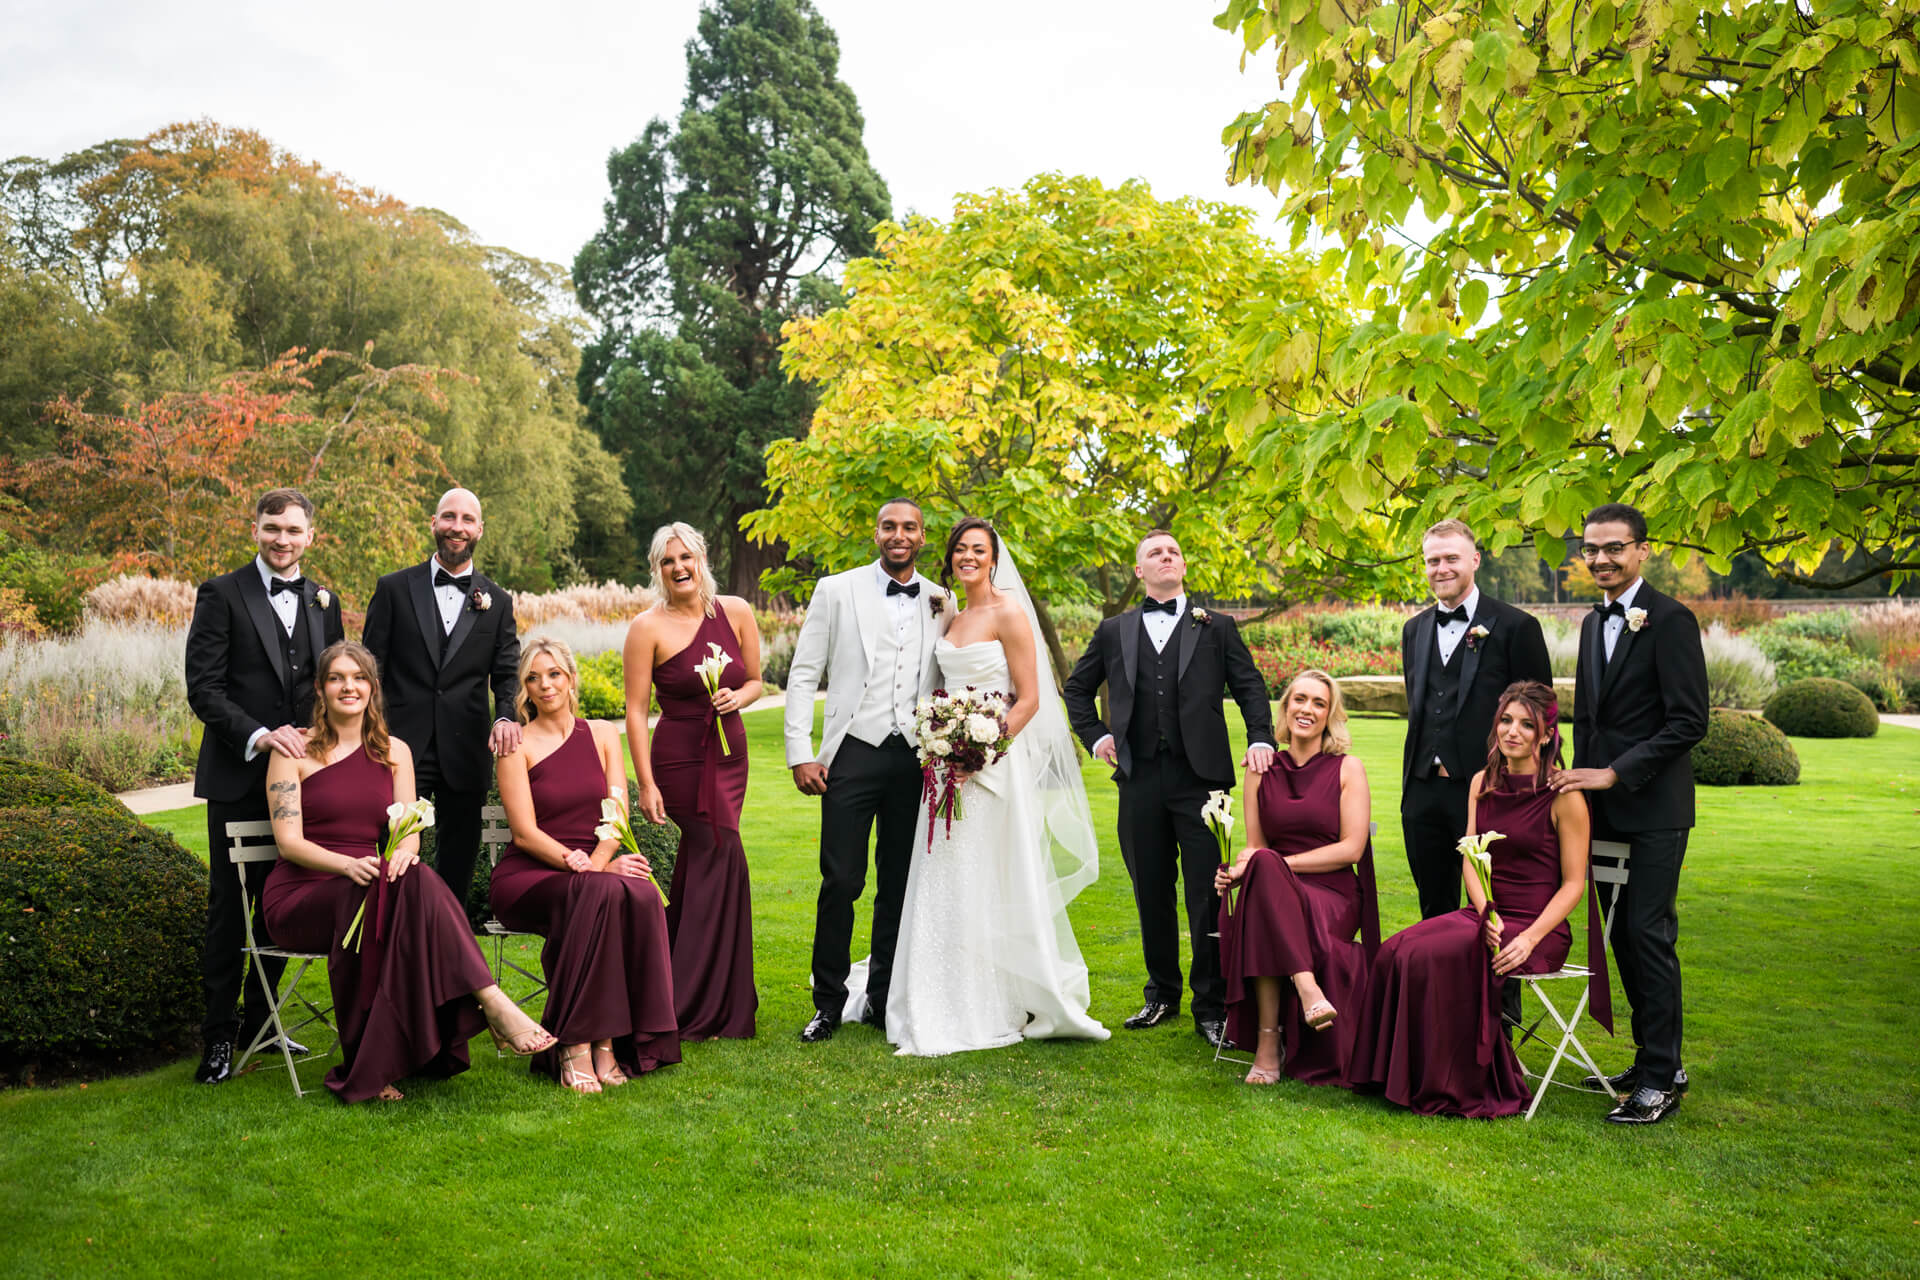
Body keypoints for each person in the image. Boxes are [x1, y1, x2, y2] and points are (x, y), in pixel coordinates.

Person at [262, 642, 557, 1103]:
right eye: (337, 678)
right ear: (320, 689)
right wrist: (346, 864)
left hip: (371, 884)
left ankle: (458, 1021)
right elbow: (289, 843)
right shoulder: (294, 750)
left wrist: (405, 852)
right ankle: (492, 1004)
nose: (348, 687)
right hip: (304, 893)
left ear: (373, 688)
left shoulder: (395, 752)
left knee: (413, 874)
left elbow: (409, 828)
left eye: (358, 677)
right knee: (380, 891)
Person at [881, 518, 1108, 1056]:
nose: (967, 556)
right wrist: (944, 744)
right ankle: (936, 993)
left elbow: (1028, 698)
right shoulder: (951, 614)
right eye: (960, 548)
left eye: (977, 549)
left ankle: (998, 997)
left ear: (993, 557)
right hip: (943, 768)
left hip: (990, 767)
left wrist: (980, 751)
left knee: (990, 875)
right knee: (944, 875)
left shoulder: (1009, 612)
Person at [1351, 681, 1610, 1116]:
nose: (1512, 731)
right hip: (1484, 913)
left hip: (1537, 929)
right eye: (1506, 721)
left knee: (1434, 955)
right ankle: (1396, 1076)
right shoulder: (1481, 782)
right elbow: (1471, 856)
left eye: (1526, 725)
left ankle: (1456, 1079)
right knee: (1398, 948)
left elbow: (1573, 886)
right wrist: (1484, 908)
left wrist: (1527, 938)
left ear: (1546, 735)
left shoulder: (1565, 797)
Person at [1063, 530, 1276, 1048]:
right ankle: (1161, 994)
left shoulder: (1217, 626)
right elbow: (1076, 689)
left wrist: (1260, 737)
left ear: (1183, 566)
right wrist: (1097, 737)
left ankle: (1212, 1005)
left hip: (1202, 781)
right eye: (1155, 553)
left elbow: (1249, 685)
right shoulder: (1115, 629)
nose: (1167, 557)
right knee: (1150, 890)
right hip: (1139, 780)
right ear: (1140, 571)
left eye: (1175, 551)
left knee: (1209, 894)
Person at [185, 488, 346, 1084]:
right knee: (231, 909)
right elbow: (204, 689)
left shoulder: (324, 600)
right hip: (237, 776)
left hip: (305, 784)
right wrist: (260, 735)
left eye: (294, 530)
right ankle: (219, 1038)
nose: (283, 539)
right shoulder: (221, 594)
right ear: (254, 528)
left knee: (286, 900)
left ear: (311, 536)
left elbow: (333, 684)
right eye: (272, 527)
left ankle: (263, 1024)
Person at [1555, 503, 1708, 1125]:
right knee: (1618, 933)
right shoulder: (1593, 624)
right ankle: (1655, 1061)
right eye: (1591, 549)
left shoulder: (1672, 620)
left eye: (1614, 548)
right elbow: (1591, 720)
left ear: (1643, 550)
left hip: (1655, 810)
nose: (1600, 560)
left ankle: (1661, 1080)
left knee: (1648, 933)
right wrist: (1574, 782)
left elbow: (1688, 722)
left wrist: (1616, 773)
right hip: (1603, 813)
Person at [784, 499, 949, 1043]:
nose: (898, 535)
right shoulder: (836, 589)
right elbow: (804, 672)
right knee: (842, 881)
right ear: (876, 533)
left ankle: (882, 998)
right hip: (852, 752)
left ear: (923, 537)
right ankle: (827, 1003)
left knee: (897, 886)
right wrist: (800, 753)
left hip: (913, 758)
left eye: (909, 528)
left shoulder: (939, 600)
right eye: (889, 526)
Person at [492, 636, 680, 1093]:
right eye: (533, 678)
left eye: (554, 674)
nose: (545, 685)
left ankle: (613, 1043)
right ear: (524, 689)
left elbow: (616, 811)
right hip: (531, 873)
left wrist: (599, 864)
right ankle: (575, 1043)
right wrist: (589, 869)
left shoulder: (601, 734)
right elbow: (524, 833)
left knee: (637, 892)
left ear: (571, 678)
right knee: (601, 891)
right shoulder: (515, 744)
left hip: (590, 867)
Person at [624, 522, 763, 1040]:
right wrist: (646, 783)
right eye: (668, 561)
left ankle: (684, 993)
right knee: (718, 853)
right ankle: (696, 1000)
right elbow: (636, 712)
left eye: (687, 557)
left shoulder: (737, 612)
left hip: (730, 751)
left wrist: (739, 699)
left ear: (702, 558)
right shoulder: (646, 628)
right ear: (658, 569)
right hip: (679, 756)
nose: (679, 568)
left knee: (707, 862)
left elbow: (755, 680)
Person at [1213, 670, 1379, 1087]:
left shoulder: (1347, 769)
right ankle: (1307, 993)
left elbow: (1352, 849)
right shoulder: (1260, 768)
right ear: (1285, 707)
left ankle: (1271, 1045)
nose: (1307, 709)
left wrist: (1278, 865)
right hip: (1275, 887)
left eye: (1319, 703)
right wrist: (1237, 871)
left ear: (1330, 715)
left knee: (1266, 877)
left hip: (1333, 892)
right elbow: (1255, 846)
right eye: (1299, 700)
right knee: (1264, 879)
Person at [361, 487, 522, 910]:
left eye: (467, 520)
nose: (457, 527)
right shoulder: (393, 588)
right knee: (391, 861)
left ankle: (445, 961)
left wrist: (505, 716)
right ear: (434, 523)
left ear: (480, 530)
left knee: (456, 870)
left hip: (465, 752)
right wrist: (371, 734)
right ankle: (390, 949)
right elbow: (369, 670)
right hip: (398, 749)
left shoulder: (498, 602)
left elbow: (507, 673)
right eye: (449, 517)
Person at [1400, 519, 1552, 921]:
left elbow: (1542, 713)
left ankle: (1495, 984)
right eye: (1433, 560)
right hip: (1422, 791)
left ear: (1475, 560)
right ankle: (1440, 985)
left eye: (1452, 558)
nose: (1441, 568)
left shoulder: (1517, 627)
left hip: (1490, 789)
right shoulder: (1413, 630)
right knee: (1433, 909)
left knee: (1492, 907)